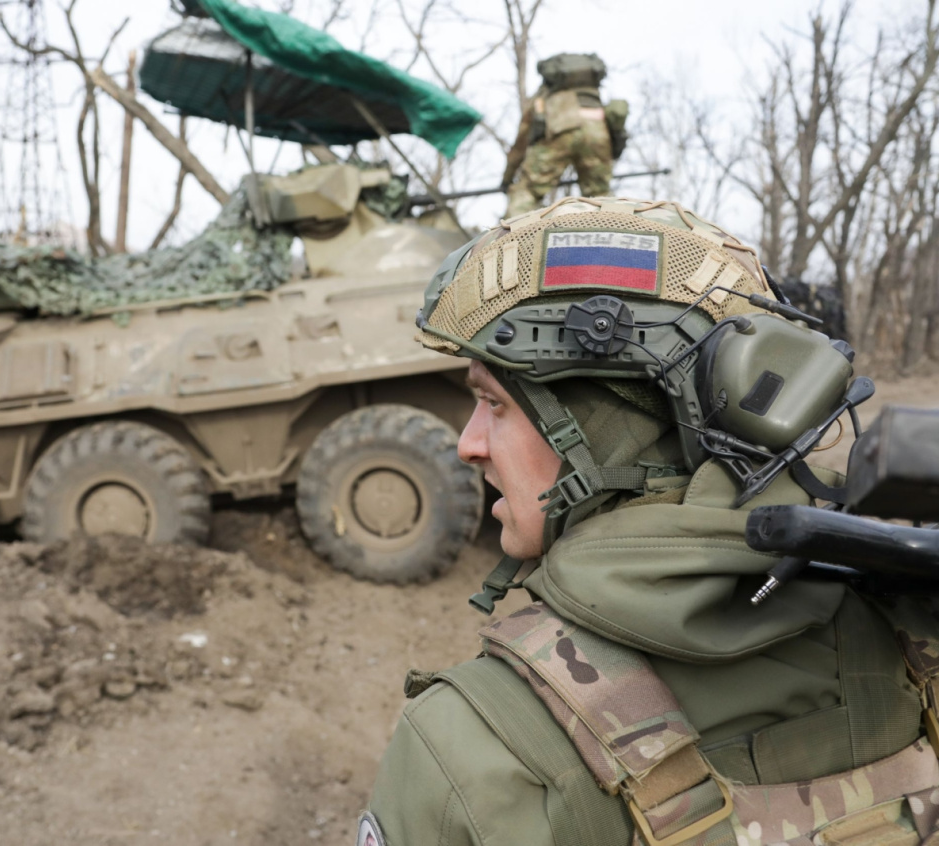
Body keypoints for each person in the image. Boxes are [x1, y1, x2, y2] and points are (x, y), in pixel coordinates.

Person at [358, 196, 939, 845]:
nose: (467, 444)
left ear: (604, 432)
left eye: (494, 403)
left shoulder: (470, 753)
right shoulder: (911, 623)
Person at [505, 53, 626, 218]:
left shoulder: (544, 94)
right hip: (597, 133)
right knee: (601, 195)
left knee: (528, 192)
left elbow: (522, 139)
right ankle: (615, 227)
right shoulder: (592, 93)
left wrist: (508, 177)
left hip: (560, 129)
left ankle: (513, 233)